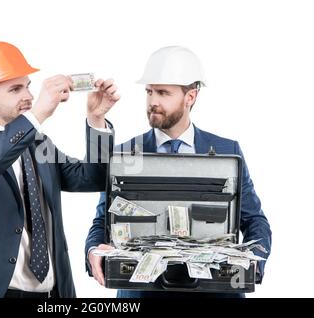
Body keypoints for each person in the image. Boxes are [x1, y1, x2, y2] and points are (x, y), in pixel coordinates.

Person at [84, 46, 272, 298]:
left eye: (163, 93)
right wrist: (93, 249)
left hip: (214, 293)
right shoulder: (125, 154)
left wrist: (253, 263)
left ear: (190, 96)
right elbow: (102, 222)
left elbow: (254, 221)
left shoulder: (228, 151)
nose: (153, 102)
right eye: (149, 91)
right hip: (143, 294)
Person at [0, 41, 120, 298]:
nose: (29, 97)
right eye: (15, 89)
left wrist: (96, 119)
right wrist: (36, 115)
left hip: (51, 295)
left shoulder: (39, 145)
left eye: (28, 87)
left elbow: (94, 178)